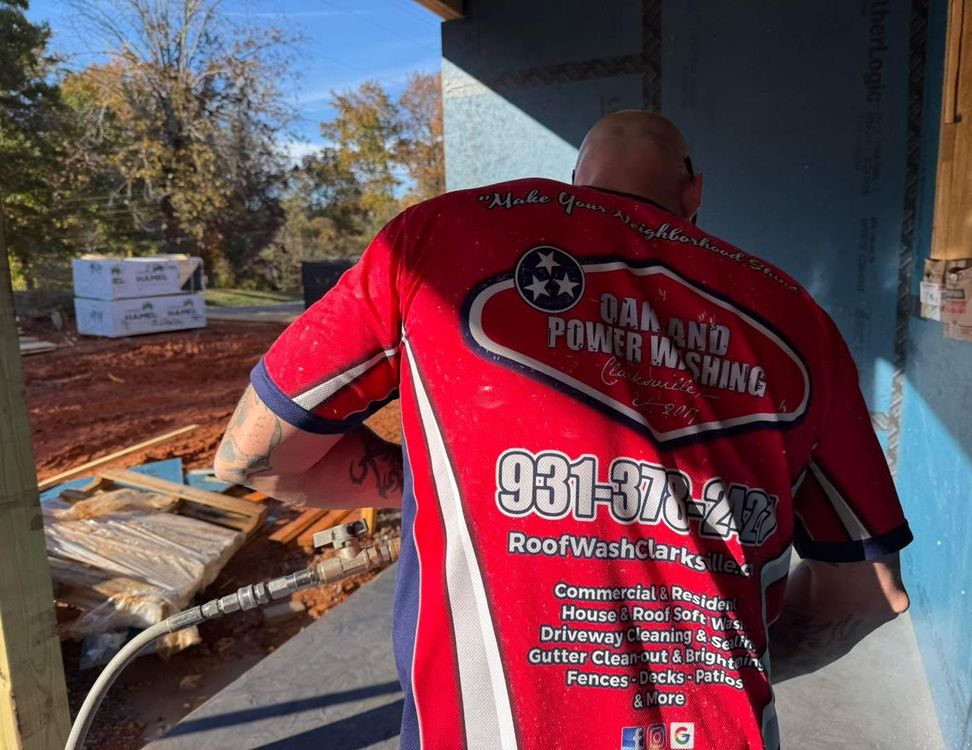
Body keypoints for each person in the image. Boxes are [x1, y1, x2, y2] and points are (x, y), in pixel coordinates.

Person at [214, 110, 912, 750]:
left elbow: (254, 458)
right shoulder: (795, 318)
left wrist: (439, 489)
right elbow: (871, 595)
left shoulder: (437, 240)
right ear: (694, 194)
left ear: (578, 179)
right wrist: (746, 656)